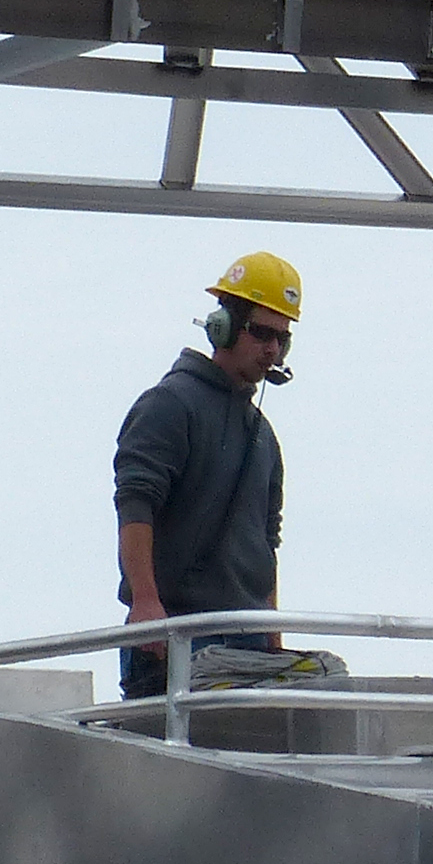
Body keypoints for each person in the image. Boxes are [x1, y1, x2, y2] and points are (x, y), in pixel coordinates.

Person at [113, 250, 311, 698]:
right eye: (262, 333)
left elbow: (265, 541)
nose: (272, 350)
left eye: (283, 338)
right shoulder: (168, 405)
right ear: (222, 326)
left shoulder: (263, 435)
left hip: (250, 644)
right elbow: (136, 502)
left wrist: (271, 634)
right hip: (176, 637)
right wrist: (146, 603)